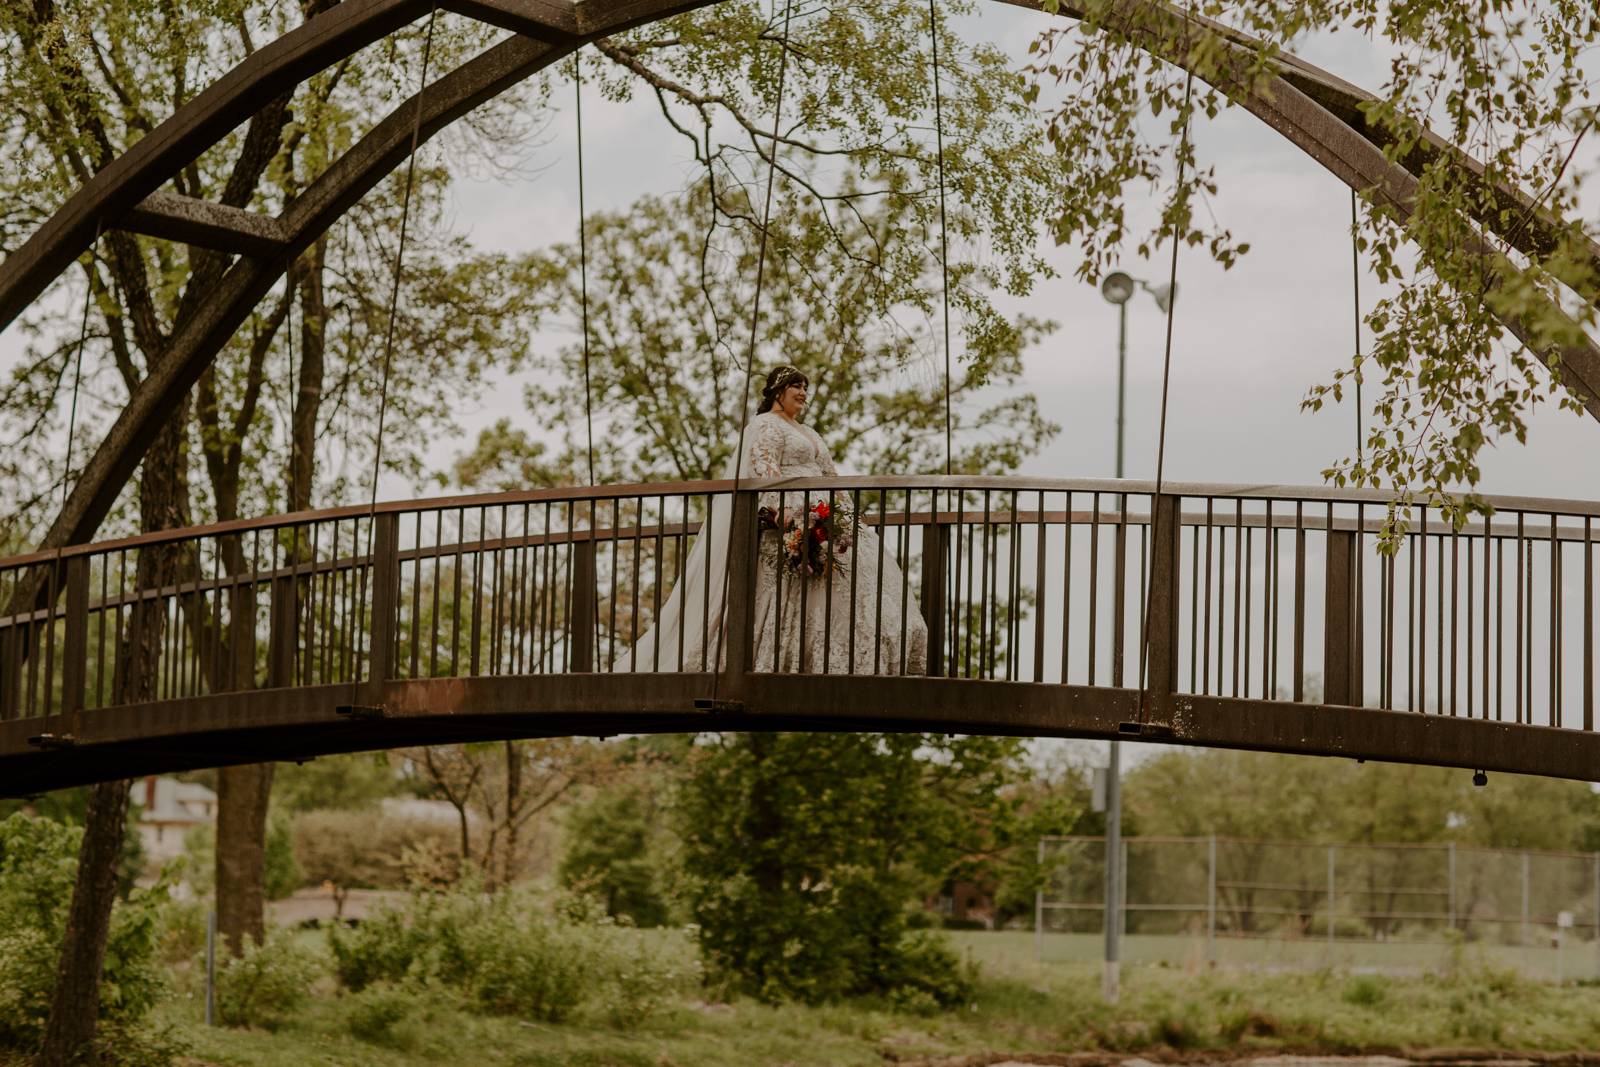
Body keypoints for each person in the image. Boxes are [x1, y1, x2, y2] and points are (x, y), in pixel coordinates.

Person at [615, 365, 928, 675]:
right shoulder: (766, 425)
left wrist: (847, 515)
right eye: (796, 386)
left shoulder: (808, 431)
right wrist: (790, 518)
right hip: (794, 514)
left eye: (805, 387)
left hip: (825, 513)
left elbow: (831, 476)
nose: (803, 392)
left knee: (862, 580)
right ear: (778, 391)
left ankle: (864, 659)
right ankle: (797, 660)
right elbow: (766, 473)